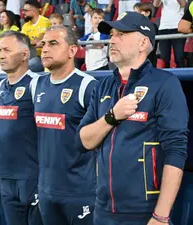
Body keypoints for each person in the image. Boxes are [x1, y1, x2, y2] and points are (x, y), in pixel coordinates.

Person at [76, 11, 189, 225]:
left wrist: (161, 215)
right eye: (112, 34)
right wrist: (112, 117)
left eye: (121, 34)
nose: (113, 39)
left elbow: (176, 151)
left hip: (145, 213)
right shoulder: (103, 86)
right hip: (102, 210)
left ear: (143, 42)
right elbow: (83, 141)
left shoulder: (165, 84)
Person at [30, 26, 98, 225]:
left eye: (53, 43)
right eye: (43, 44)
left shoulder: (87, 85)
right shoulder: (37, 85)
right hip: (46, 189)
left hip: (80, 191)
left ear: (72, 51)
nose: (45, 49)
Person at [0, 31, 42, 225]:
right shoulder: (1, 86)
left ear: (24, 55)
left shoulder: (37, 84)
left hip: (31, 174)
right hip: (5, 174)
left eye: (7, 50)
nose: (1, 55)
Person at [153, 0, 186, 68]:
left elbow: (183, 4)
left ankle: (182, 78)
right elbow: (155, 5)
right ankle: (166, 77)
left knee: (179, 56)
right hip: (163, 27)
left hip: (178, 27)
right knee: (164, 57)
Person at [22, 0, 51, 72]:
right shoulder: (26, 25)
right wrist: (33, 42)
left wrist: (30, 42)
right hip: (37, 56)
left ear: (33, 11)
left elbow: (41, 38)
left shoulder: (45, 21)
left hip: (49, 55)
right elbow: (22, 41)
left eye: (25, 10)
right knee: (22, 67)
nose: (23, 13)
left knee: (28, 66)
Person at [133, 2, 158, 67]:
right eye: (135, 13)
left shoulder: (153, 26)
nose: (136, 15)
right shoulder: (133, 26)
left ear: (147, 13)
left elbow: (152, 45)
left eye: (139, 12)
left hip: (149, 60)